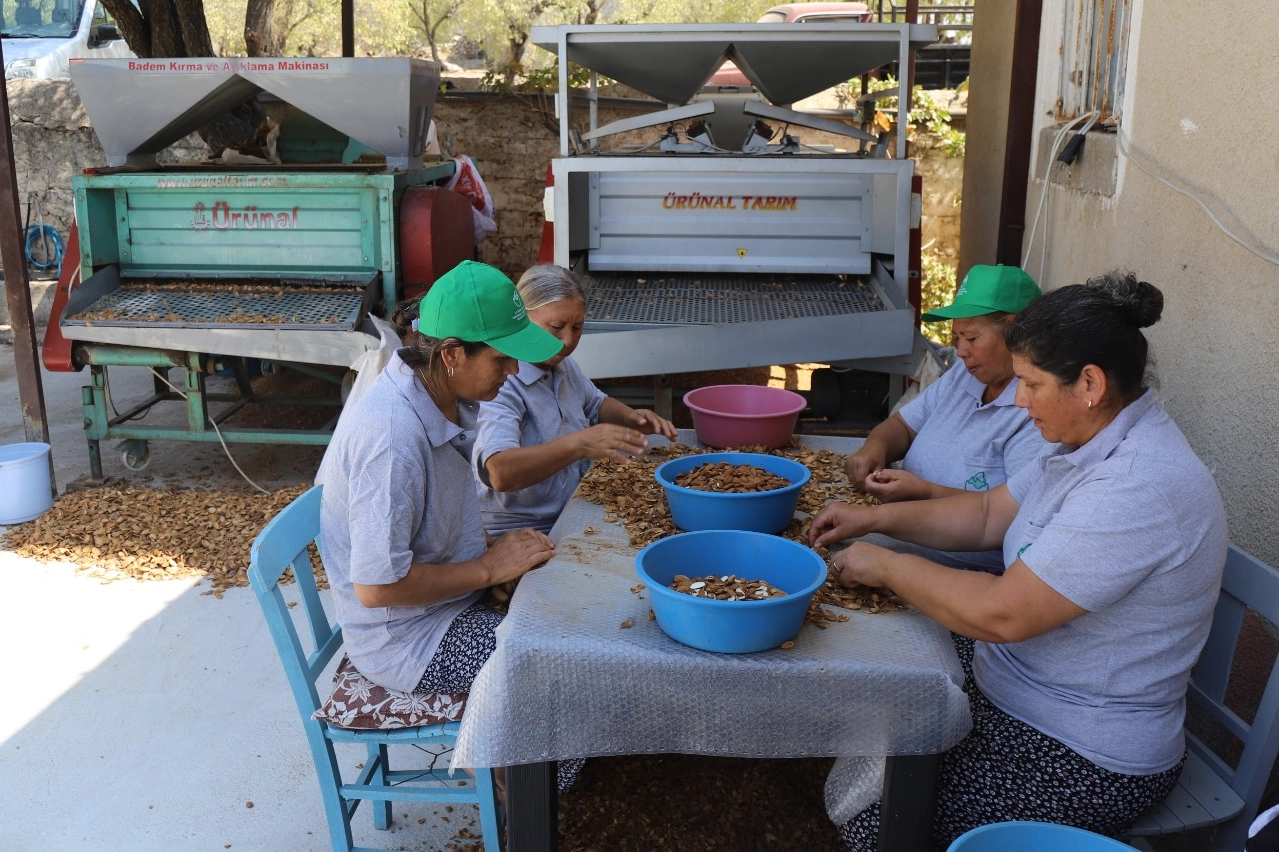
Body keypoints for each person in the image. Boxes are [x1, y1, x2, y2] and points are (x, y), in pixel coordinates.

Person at [809, 271, 1227, 850]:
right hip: (1013, 679)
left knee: (882, 824)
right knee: (876, 667)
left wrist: (885, 566)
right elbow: (984, 514)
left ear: (1089, 383)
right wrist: (875, 521)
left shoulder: (1138, 486)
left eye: (1030, 384)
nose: (1020, 400)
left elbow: (1004, 614)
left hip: (1080, 746)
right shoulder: (1081, 443)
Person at [318, 259, 563, 704]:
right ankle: (507, 771)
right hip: (407, 638)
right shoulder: (391, 440)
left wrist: (487, 562)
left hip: (446, 601)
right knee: (550, 662)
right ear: (450, 354)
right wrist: (488, 568)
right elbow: (377, 589)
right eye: (501, 358)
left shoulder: (442, 390)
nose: (513, 371)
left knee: (563, 606)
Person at [842, 263, 1053, 573]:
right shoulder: (963, 376)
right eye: (956, 338)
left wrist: (923, 492)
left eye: (971, 338)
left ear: (1015, 331)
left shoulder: (1036, 413)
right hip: (900, 541)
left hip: (956, 573)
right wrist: (875, 449)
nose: (962, 351)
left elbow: (1004, 516)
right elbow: (902, 425)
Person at [472, 264, 678, 536]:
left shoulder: (562, 366)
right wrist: (579, 444)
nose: (568, 340)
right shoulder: (502, 384)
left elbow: (594, 403)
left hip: (572, 508)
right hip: (519, 533)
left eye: (578, 327)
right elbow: (499, 472)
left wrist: (631, 417)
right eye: (556, 327)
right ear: (520, 320)